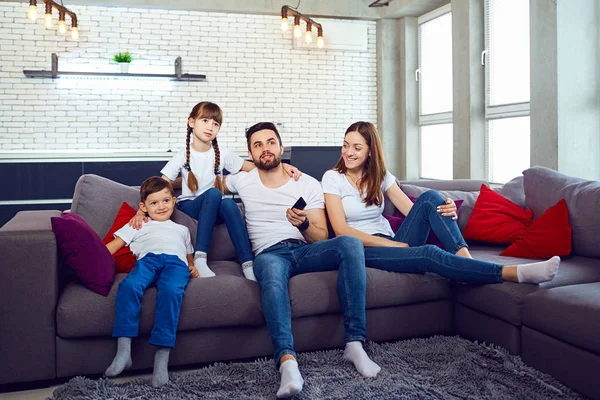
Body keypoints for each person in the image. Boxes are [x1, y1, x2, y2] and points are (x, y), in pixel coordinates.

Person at [223, 122, 380, 399]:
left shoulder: (307, 183)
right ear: (250, 154)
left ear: (281, 148)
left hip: (304, 249)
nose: (265, 149)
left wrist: (304, 224)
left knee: (350, 243)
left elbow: (320, 237)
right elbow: (200, 182)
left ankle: (355, 343)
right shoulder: (241, 180)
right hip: (269, 253)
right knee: (270, 272)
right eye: (257, 145)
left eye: (270, 142)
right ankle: (287, 362)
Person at [322, 121, 560, 285]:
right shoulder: (333, 178)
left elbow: (413, 210)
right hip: (365, 250)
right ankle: (514, 273)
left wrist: (443, 211)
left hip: (393, 241)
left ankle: (466, 262)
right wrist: (392, 246)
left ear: (370, 152)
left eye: (356, 147)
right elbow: (341, 231)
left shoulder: (381, 176)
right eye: (345, 145)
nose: (348, 152)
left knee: (432, 198)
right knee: (428, 253)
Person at [131, 101, 300, 281]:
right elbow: (160, 185)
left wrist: (282, 167)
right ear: (191, 123)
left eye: (216, 124)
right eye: (205, 121)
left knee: (228, 203)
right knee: (214, 193)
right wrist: (141, 211)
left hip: (215, 205)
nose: (210, 127)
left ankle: (247, 264)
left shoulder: (223, 154)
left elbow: (250, 167)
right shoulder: (182, 155)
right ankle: (200, 258)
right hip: (190, 205)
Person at [104, 177, 198, 387]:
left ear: (174, 201)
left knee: (172, 292)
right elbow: (112, 247)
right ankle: (124, 351)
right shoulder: (138, 223)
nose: (161, 207)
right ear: (143, 206)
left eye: (165, 201)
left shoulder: (182, 230)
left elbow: (188, 254)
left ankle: (161, 359)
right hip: (148, 261)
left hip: (176, 264)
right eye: (154, 203)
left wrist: (192, 266)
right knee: (129, 286)